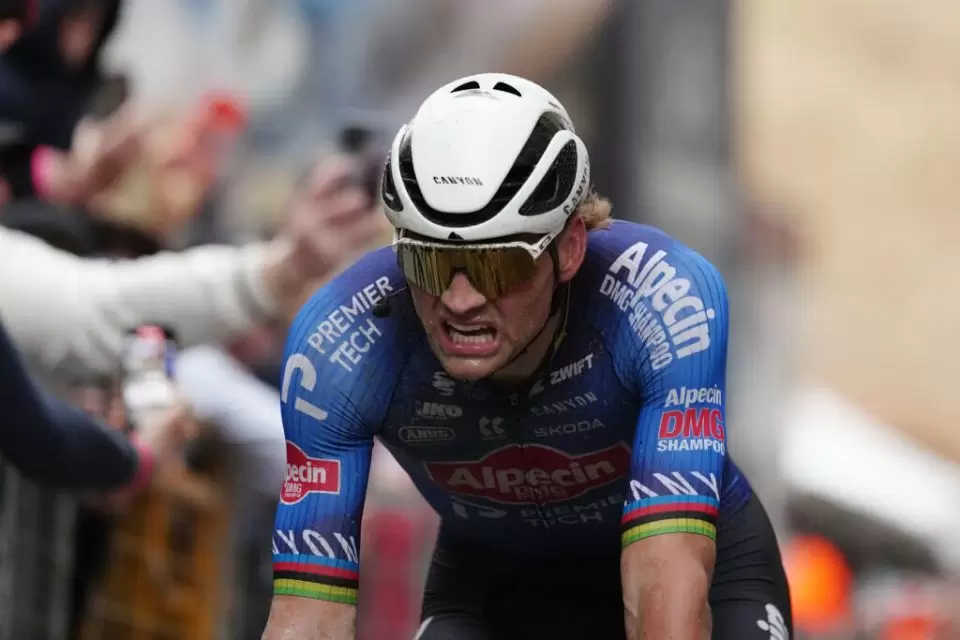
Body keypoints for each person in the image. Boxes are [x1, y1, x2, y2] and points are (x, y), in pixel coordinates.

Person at [263, 73, 792, 640]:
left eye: (497, 267)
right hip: (494, 584)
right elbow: (306, 618)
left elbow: (665, 588)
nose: (460, 301)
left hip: (680, 562)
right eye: (428, 264)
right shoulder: (338, 341)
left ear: (569, 247)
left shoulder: (664, 299)